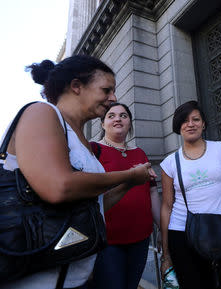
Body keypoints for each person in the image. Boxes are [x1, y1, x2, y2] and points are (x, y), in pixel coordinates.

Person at [0, 55, 155, 289]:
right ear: (76, 86)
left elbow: (96, 205)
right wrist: (129, 176)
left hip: (74, 278)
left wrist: (129, 185)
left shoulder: (81, 137)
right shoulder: (41, 113)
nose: (113, 98)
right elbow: (59, 187)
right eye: (106, 89)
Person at [159, 101, 221, 289]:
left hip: (216, 229)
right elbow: (167, 206)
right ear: (178, 126)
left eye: (196, 119)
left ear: (203, 124)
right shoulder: (170, 163)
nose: (191, 124)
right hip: (181, 232)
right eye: (184, 121)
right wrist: (166, 254)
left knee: (216, 283)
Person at [89, 102, 161, 289]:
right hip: (108, 242)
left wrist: (162, 228)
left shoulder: (139, 153)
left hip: (141, 239)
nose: (118, 119)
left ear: (129, 123)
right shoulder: (93, 150)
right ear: (103, 124)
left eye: (123, 115)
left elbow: (152, 192)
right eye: (111, 116)